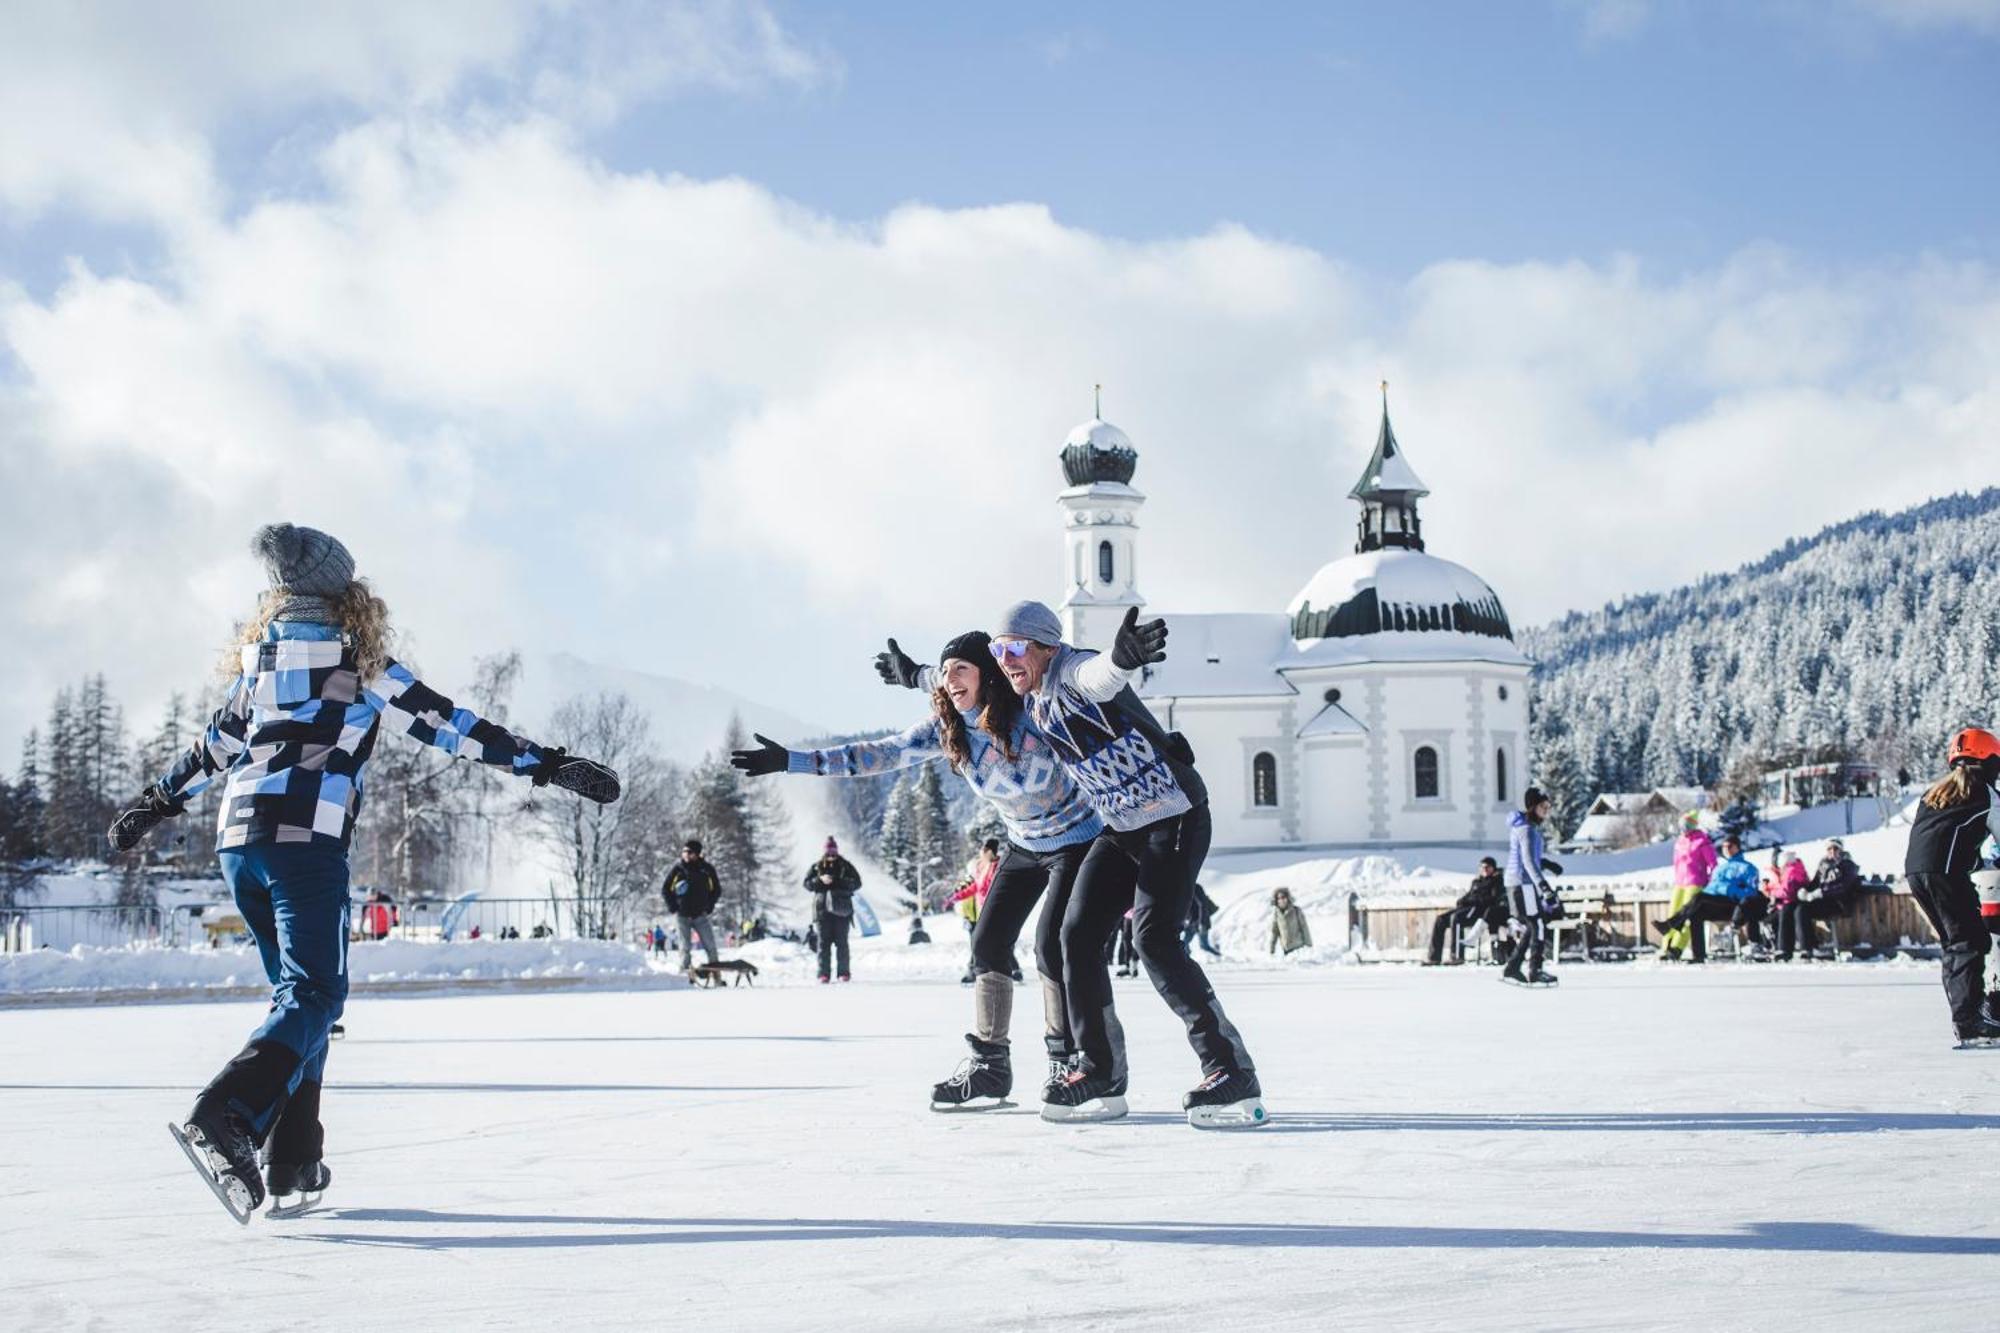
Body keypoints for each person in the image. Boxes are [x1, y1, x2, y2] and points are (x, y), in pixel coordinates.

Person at [106, 523, 619, 1220]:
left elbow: (209, 750)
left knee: (299, 1000)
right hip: (304, 843)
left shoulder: (259, 666)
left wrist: (152, 803)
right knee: (317, 993)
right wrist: (550, 764)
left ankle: (293, 1159)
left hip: (238, 847)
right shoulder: (359, 662)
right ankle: (227, 1113)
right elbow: (453, 726)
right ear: (345, 591)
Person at [886, 601, 1263, 1128]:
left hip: (1172, 816)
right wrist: (914, 675)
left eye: (1015, 649)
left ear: (1045, 646)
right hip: (1120, 826)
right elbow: (954, 675)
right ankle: (1099, 1071)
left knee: (1153, 940)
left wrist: (1123, 658)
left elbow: (1101, 676)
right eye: (998, 652)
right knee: (1074, 936)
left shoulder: (1070, 673)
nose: (1004, 661)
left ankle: (1230, 1072)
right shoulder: (1021, 690)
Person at [735, 631, 1107, 1109]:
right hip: (1025, 844)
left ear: (988, 674)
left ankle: (1066, 1057)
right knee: (987, 943)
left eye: (961, 670)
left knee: (1051, 946)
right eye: (945, 672)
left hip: (1078, 839)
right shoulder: (945, 726)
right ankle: (992, 1065)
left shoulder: (1029, 712)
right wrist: (792, 760)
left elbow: (1089, 713)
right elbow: (876, 754)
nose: (950, 680)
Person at [1902, 728, 2000, 1047]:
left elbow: (1943, 837)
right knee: (1970, 941)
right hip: (1945, 875)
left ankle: (1966, 1017)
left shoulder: (1935, 791)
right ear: (1990, 760)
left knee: (1954, 943)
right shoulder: (1984, 791)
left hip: (1918, 874)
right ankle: (1970, 1021)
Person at [1652, 835, 1767, 961]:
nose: (1726, 849)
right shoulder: (1720, 868)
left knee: (1699, 897)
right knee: (1695, 913)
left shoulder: (1748, 868)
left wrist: (1729, 889)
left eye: (1730, 846)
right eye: (1723, 847)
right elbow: (1711, 888)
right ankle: (1698, 955)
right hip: (1717, 902)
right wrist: (1716, 890)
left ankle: (1671, 924)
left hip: (1735, 906)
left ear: (1737, 848)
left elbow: (1751, 893)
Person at [1501, 788, 1559, 987]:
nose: (1546, 811)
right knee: (1538, 925)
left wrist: (1546, 864)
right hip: (1522, 882)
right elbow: (1527, 862)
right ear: (1533, 807)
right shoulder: (1526, 829)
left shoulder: (1525, 827)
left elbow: (1529, 858)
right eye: (1543, 807)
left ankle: (1513, 967)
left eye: (1548, 807)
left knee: (1531, 926)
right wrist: (1545, 887)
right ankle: (1535, 970)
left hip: (1518, 881)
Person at [1784, 839, 1864, 959]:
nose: (1832, 851)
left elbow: (1843, 885)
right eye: (1829, 849)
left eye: (1835, 848)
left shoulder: (1847, 864)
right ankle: (1805, 947)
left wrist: (1821, 892)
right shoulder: (1824, 865)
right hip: (1824, 901)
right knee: (1799, 909)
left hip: (1839, 902)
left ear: (1841, 850)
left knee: (1803, 909)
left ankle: (1811, 947)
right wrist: (1805, 890)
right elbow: (1815, 883)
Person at [1426, 857, 1507, 966]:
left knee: (1456, 918)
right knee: (1440, 919)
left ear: (1493, 868)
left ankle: (1457, 956)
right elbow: (1469, 895)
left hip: (1479, 911)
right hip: (1467, 908)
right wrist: (1462, 900)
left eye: (1488, 867)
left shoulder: (1496, 881)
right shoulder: (1476, 882)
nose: (1485, 869)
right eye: (1482, 867)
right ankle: (1434, 957)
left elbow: (1492, 899)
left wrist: (1472, 900)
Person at [1659, 811, 1717, 962]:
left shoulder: (1702, 841)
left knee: (1689, 916)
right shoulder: (1679, 841)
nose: (1684, 828)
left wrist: (1709, 881)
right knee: (1673, 915)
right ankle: (1666, 947)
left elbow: (1713, 864)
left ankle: (1677, 948)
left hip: (1695, 882)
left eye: (1687, 825)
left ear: (1693, 825)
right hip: (1679, 882)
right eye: (1682, 825)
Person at [803, 837, 863, 983]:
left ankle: (844, 973)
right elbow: (806, 884)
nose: (831, 854)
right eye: (828, 851)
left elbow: (857, 883)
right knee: (823, 944)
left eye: (833, 851)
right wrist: (819, 880)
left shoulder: (846, 866)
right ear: (824, 851)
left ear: (837, 850)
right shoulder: (816, 867)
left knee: (842, 943)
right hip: (822, 911)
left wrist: (837, 881)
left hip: (842, 910)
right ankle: (823, 974)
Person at [660, 838, 723, 972]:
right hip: (682, 916)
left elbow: (716, 889)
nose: (686, 854)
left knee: (710, 946)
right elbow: (665, 889)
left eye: (689, 852)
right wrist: (673, 906)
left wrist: (709, 905)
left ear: (697, 854)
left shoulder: (706, 869)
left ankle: (716, 974)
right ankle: (684, 975)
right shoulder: (678, 869)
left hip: (701, 915)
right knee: (685, 947)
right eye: (684, 852)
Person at [948, 840, 1001, 984]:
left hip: (993, 910)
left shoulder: (998, 867)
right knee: (979, 942)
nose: (981, 853)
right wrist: (956, 897)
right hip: (980, 911)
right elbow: (976, 887)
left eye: (983, 850)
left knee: (982, 942)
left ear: (990, 851)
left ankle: (982, 971)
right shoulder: (980, 866)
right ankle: (980, 971)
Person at [1764, 850, 1810, 960]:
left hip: (1793, 901)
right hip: (1787, 902)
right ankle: (1781, 947)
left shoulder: (1791, 870)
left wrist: (1771, 893)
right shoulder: (1790, 870)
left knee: (1785, 914)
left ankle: (1784, 948)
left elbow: (1787, 891)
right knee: (1775, 917)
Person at [1182, 881, 1221, 957]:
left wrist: (1201, 923)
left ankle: (1220, 956)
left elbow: (1202, 906)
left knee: (1204, 946)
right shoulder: (1188, 889)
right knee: (1184, 944)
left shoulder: (1195, 888)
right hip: (1192, 922)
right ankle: (1185, 957)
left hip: (1200, 923)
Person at [1268, 888, 1312, 955]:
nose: (1281, 900)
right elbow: (1275, 932)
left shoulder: (1296, 911)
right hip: (1287, 950)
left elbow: (1304, 928)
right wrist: (1272, 949)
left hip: (1299, 948)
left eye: (1283, 897)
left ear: (1288, 898)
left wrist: (1309, 946)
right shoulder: (1276, 915)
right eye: (1278, 898)